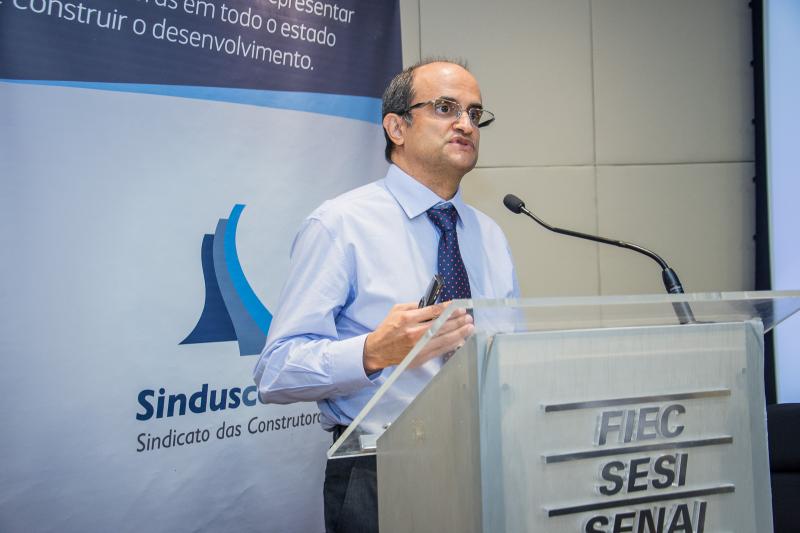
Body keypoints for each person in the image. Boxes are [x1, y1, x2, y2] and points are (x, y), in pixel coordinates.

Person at [253, 58, 519, 533]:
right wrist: (374, 352)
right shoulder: (341, 224)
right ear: (397, 127)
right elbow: (275, 372)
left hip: (485, 464)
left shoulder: (490, 235)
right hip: (380, 466)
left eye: (475, 113)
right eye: (446, 108)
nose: (466, 124)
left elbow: (510, 358)